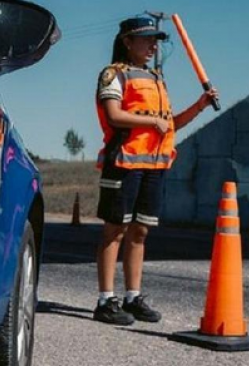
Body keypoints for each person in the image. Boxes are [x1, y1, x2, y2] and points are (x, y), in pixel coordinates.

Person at [93, 16, 218, 325]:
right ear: (127, 42)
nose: (153, 45)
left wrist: (200, 105)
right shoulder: (114, 74)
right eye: (146, 39)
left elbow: (170, 124)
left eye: (155, 40)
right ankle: (105, 300)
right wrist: (151, 122)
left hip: (154, 164)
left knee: (140, 231)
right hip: (123, 161)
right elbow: (114, 115)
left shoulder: (157, 78)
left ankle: (132, 297)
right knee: (115, 231)